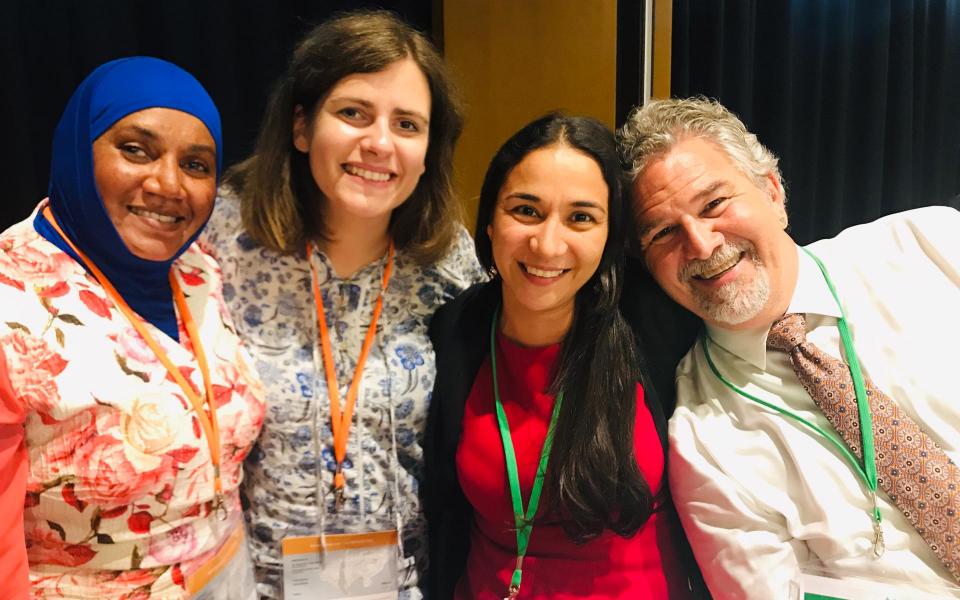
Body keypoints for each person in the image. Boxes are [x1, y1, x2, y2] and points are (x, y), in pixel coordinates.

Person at [619, 96, 960, 597]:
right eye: (664, 233)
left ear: (773, 192)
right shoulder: (704, 444)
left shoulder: (929, 245)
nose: (702, 244)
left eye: (714, 204)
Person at [200, 10, 485, 599]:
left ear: (429, 149)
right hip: (249, 582)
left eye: (407, 124)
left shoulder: (449, 262)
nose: (379, 143)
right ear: (302, 127)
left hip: (405, 584)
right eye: (353, 113)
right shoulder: (224, 238)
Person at [0, 57, 265, 598]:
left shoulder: (199, 271)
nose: (169, 184)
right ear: (80, 148)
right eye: (136, 150)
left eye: (195, 164)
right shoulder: (11, 300)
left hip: (228, 575)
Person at [425, 113, 700, 599]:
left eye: (581, 218)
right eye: (526, 210)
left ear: (609, 235)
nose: (547, 244)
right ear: (489, 220)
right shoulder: (456, 332)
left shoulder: (657, 321)